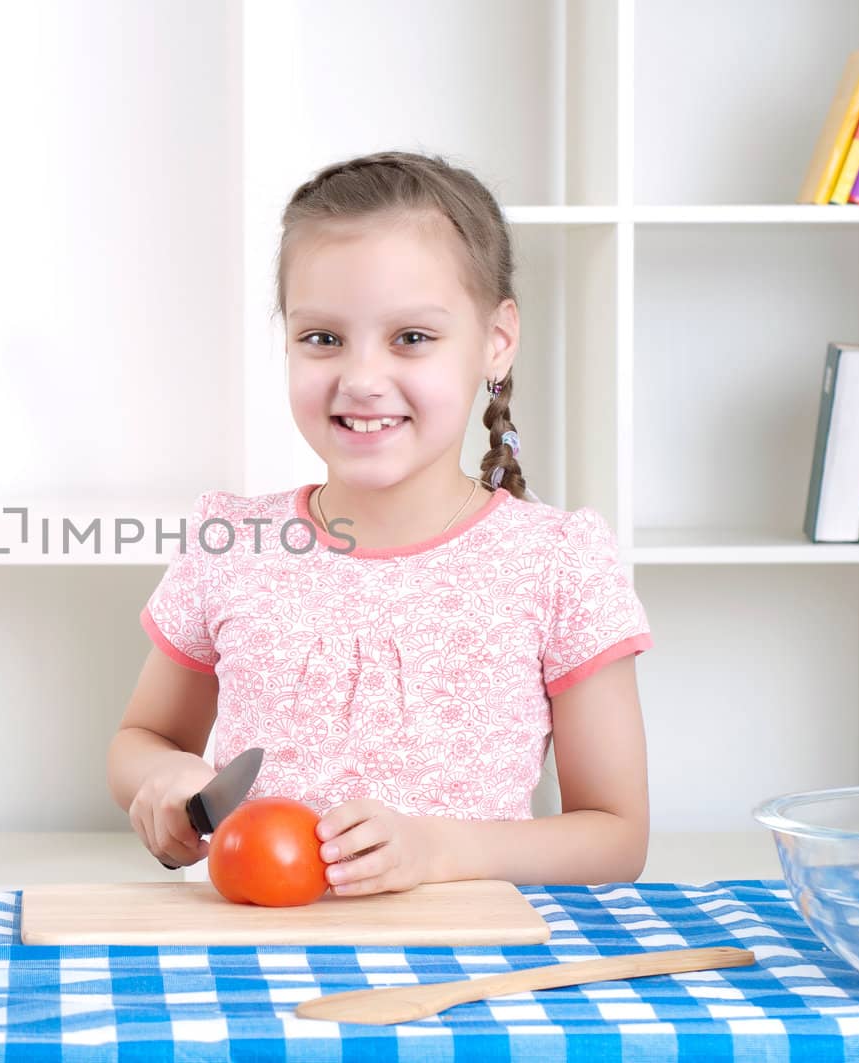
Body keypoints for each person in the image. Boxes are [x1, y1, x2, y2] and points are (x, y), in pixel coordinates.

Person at [106, 151, 653, 895]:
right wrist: (169, 780)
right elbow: (141, 741)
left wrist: (441, 850)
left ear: (496, 341)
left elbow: (616, 837)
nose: (362, 379)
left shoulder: (557, 562)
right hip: (248, 952)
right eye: (323, 338)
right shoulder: (232, 542)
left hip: (463, 963)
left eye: (412, 338)